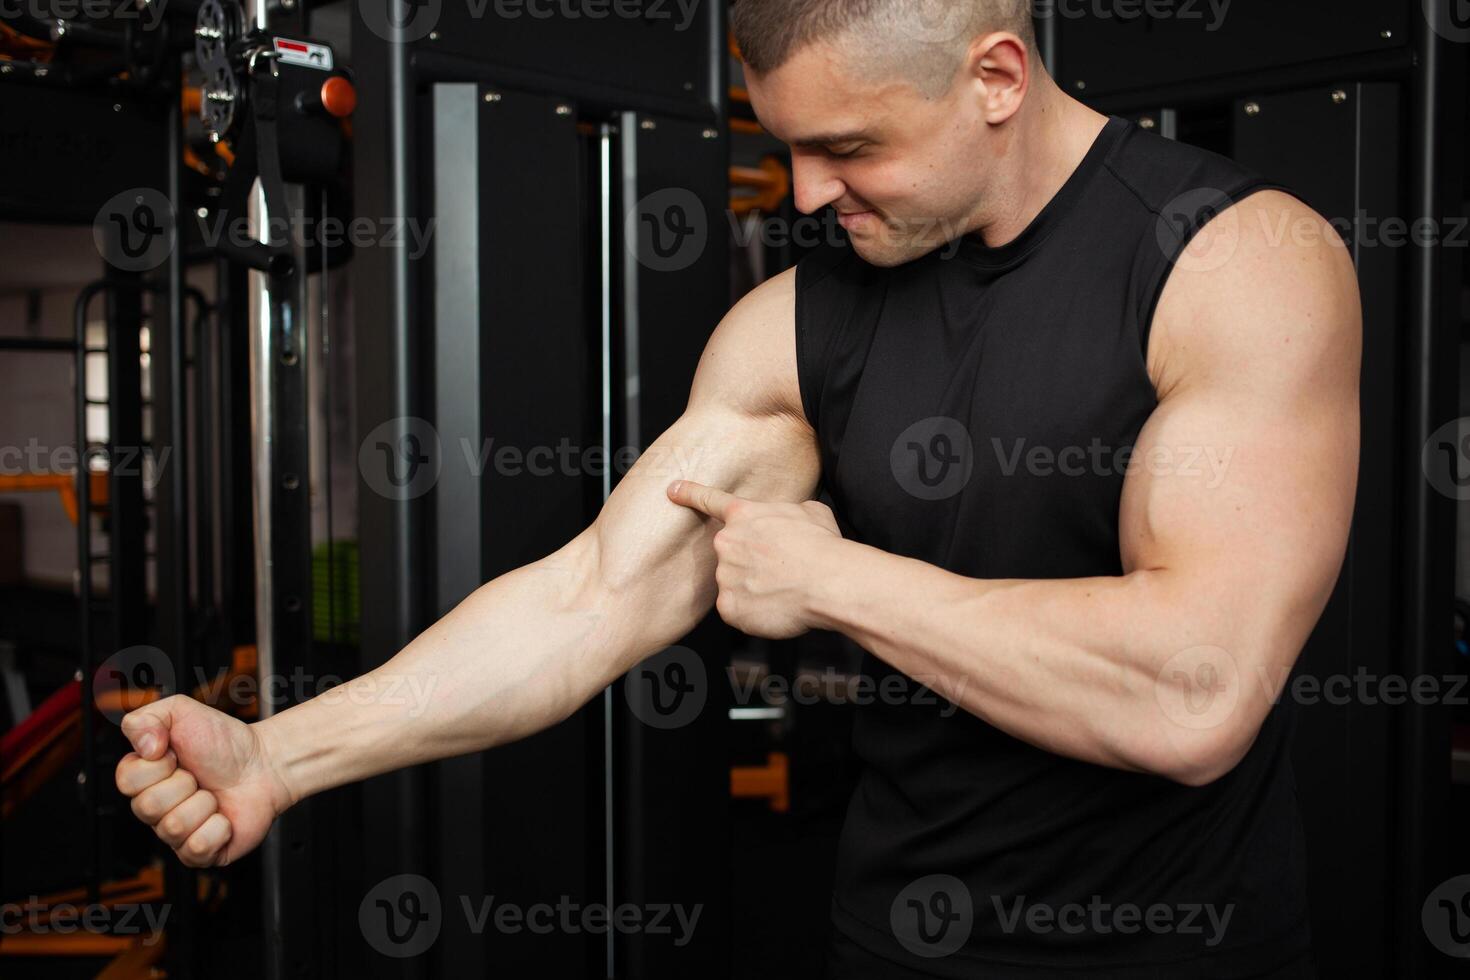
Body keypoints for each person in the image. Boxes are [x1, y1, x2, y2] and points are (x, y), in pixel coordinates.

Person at [115, 1, 1360, 976]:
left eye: (850, 147)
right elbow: (585, 600)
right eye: (789, 148)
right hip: (894, 942)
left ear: (996, 78)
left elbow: (1194, 692)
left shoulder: (1233, 264)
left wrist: (836, 580)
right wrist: (280, 755)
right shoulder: (799, 322)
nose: (809, 194)